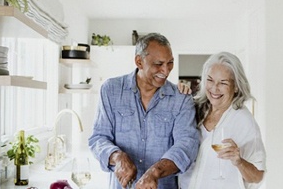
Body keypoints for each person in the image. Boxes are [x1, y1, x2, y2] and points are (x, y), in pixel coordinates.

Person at [88, 33, 199, 189]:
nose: (166, 71)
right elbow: (98, 138)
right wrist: (117, 156)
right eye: (158, 64)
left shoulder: (181, 99)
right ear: (139, 61)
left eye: (170, 63)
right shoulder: (111, 90)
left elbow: (187, 145)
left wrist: (155, 172)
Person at [178, 51, 266, 189]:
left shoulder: (243, 121)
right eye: (210, 80)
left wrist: (239, 161)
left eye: (223, 83)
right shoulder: (195, 109)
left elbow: (258, 176)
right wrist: (177, 94)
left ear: (236, 86)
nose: (214, 88)